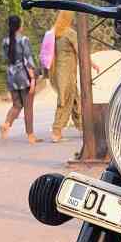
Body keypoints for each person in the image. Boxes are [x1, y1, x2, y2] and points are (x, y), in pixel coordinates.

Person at [0, 15, 41, 144]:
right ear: (19, 26)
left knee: (17, 104)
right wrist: (33, 78)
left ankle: (6, 124)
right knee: (28, 106)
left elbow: (6, 57)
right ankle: (30, 135)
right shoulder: (23, 40)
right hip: (23, 74)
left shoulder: (5, 41)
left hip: (11, 74)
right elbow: (27, 60)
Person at [50, 9, 82, 142]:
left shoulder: (54, 32)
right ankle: (56, 131)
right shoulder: (70, 33)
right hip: (68, 72)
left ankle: (82, 126)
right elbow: (80, 51)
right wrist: (93, 64)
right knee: (65, 100)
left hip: (57, 71)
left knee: (75, 98)